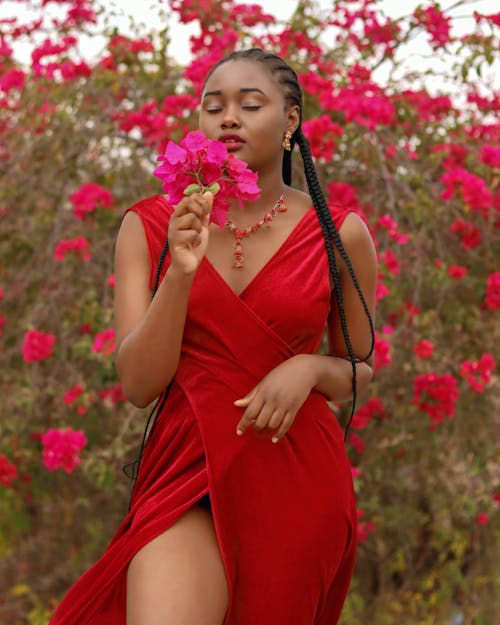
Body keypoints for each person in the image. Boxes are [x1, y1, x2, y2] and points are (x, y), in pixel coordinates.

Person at [49, 47, 377, 625]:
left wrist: (307, 370)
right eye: (213, 106)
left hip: (295, 477)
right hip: (183, 473)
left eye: (250, 105)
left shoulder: (338, 233)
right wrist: (180, 271)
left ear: (290, 122)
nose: (228, 117)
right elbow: (139, 383)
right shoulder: (149, 225)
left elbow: (359, 368)